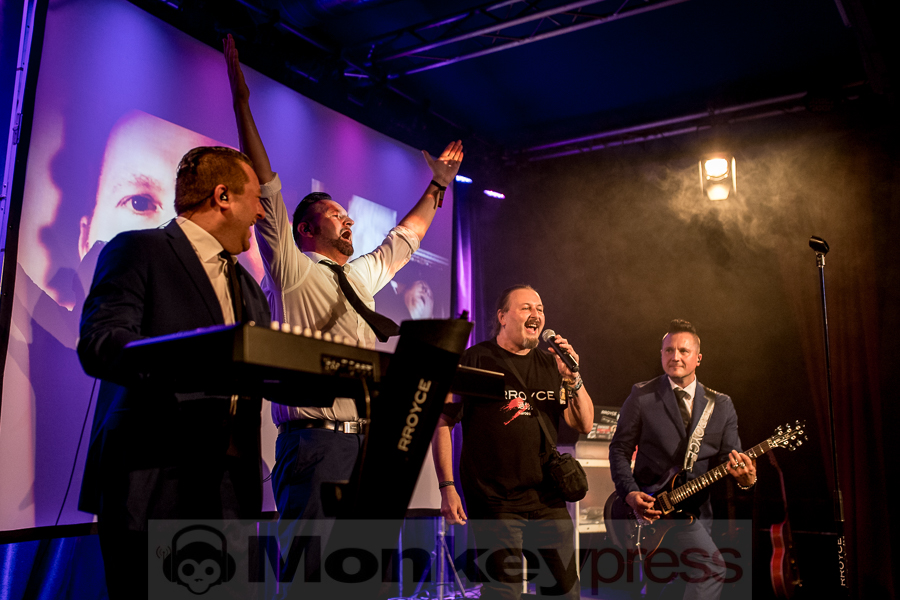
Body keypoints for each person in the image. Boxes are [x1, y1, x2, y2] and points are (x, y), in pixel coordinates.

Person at [224, 34, 463, 520]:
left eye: (346, 215)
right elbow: (267, 189)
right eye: (336, 215)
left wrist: (438, 184)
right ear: (306, 229)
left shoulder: (358, 275)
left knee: (361, 562)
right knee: (313, 563)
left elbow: (406, 238)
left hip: (367, 444)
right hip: (314, 445)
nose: (348, 220)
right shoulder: (292, 269)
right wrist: (242, 103)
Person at [77, 146, 270, 597]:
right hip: (154, 481)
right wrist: (199, 360)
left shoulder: (249, 286)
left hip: (231, 492)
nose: (262, 212)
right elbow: (102, 342)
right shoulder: (138, 249)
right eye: (256, 199)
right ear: (223, 197)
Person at [432, 285, 594, 599]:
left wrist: (573, 378)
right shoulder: (475, 359)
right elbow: (443, 424)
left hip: (547, 498)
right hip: (495, 500)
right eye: (526, 308)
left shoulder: (552, 364)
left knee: (564, 591)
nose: (536, 314)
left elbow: (583, 423)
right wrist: (447, 487)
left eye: (540, 308)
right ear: (502, 317)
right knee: (503, 592)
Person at [608, 319, 757, 599]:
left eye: (683, 351)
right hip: (652, 511)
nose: (675, 356)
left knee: (682, 583)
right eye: (669, 350)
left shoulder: (721, 404)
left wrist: (746, 480)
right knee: (710, 570)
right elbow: (619, 450)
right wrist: (630, 493)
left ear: (698, 358)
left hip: (697, 515)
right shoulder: (642, 395)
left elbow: (730, 459)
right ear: (661, 354)